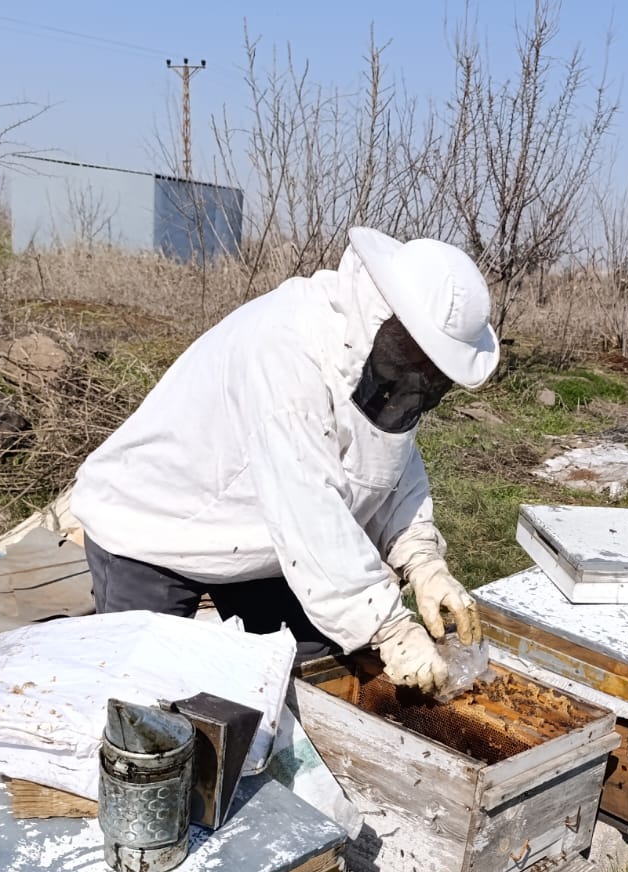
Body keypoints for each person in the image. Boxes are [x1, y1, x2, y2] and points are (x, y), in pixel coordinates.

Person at [71, 228, 496, 696]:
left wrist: (423, 561)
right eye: (417, 354)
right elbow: (311, 513)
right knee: (144, 703)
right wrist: (391, 629)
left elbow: (392, 464)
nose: (423, 373)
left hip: (256, 531)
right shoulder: (286, 351)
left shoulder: (375, 362)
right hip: (153, 521)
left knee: (314, 668)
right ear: (390, 318)